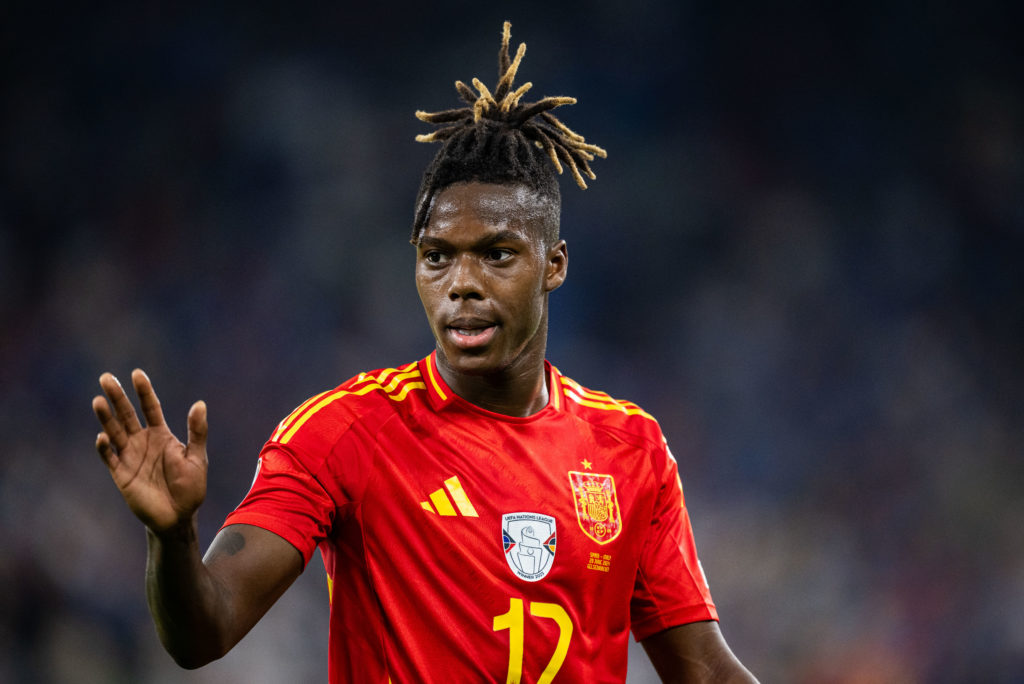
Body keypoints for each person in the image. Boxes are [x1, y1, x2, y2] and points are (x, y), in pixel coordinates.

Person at [92, 22, 757, 683]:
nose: (462, 285)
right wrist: (173, 536)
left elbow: (708, 673)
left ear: (553, 265)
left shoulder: (630, 450)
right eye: (438, 258)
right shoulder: (341, 434)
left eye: (496, 255)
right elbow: (204, 632)